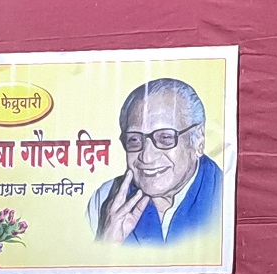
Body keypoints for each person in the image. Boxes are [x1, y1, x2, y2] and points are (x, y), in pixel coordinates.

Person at [86, 78, 225, 245]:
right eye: (135, 139)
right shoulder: (106, 200)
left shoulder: (227, 197)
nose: (147, 157)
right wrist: (107, 243)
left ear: (198, 140)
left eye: (165, 137)